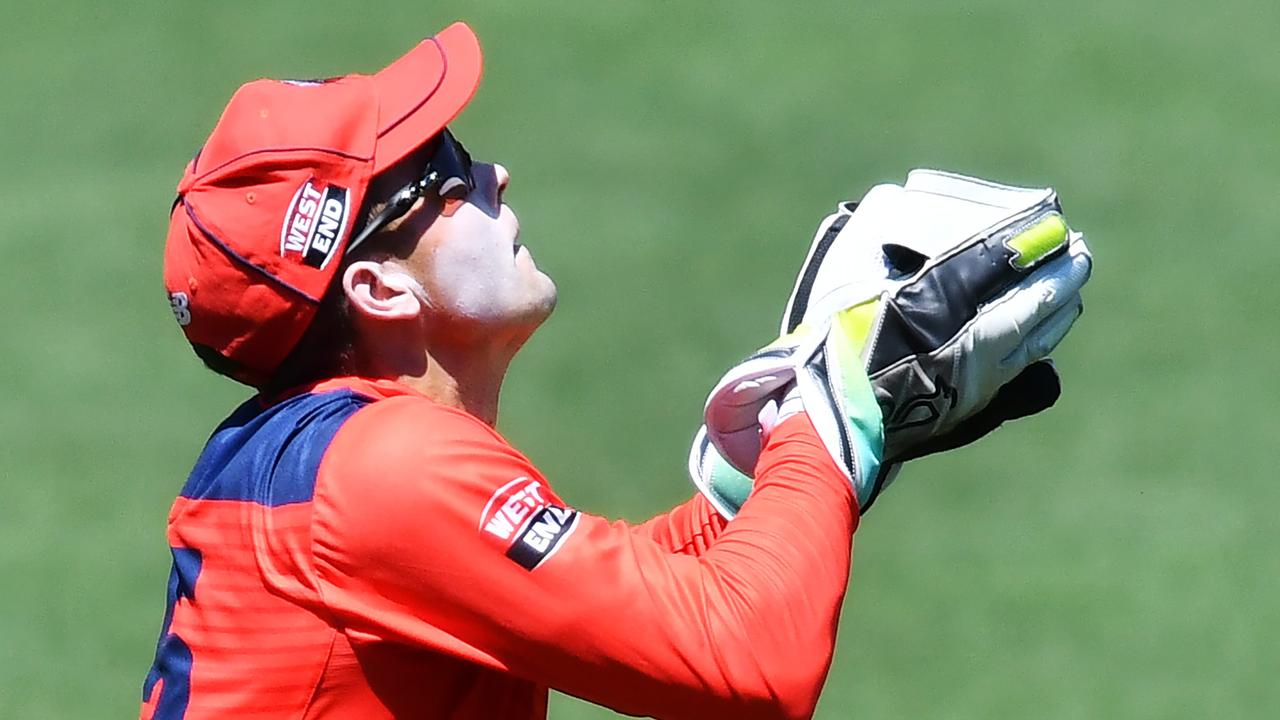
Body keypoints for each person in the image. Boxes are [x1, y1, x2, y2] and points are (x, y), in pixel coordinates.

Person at [143, 21, 1073, 720]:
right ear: (379, 288)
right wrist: (826, 415)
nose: (493, 174)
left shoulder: (324, 464)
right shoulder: (380, 472)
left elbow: (627, 594)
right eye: (443, 168)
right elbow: (748, 661)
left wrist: (784, 477)